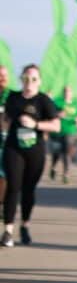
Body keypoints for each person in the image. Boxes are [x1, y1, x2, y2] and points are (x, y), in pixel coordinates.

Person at [1, 65, 60, 247]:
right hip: (13, 147)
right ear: (21, 79)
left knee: (28, 189)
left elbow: (56, 126)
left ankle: (25, 225)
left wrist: (35, 124)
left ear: (39, 81)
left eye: (34, 79)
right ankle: (8, 230)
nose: (29, 82)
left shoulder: (44, 101)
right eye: (26, 78)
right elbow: (5, 121)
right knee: (13, 186)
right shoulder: (13, 98)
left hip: (35, 150)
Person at [49, 85, 77, 183]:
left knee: (67, 153)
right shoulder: (57, 102)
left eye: (69, 91)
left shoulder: (76, 105)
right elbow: (50, 113)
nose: (67, 93)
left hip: (70, 131)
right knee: (57, 153)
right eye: (65, 91)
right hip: (58, 132)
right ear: (63, 93)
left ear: (72, 93)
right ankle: (53, 167)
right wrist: (58, 114)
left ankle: (66, 174)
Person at [0, 65, 12, 215]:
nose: (2, 78)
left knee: (4, 175)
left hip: (7, 140)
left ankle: (2, 204)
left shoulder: (11, 96)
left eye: (4, 76)